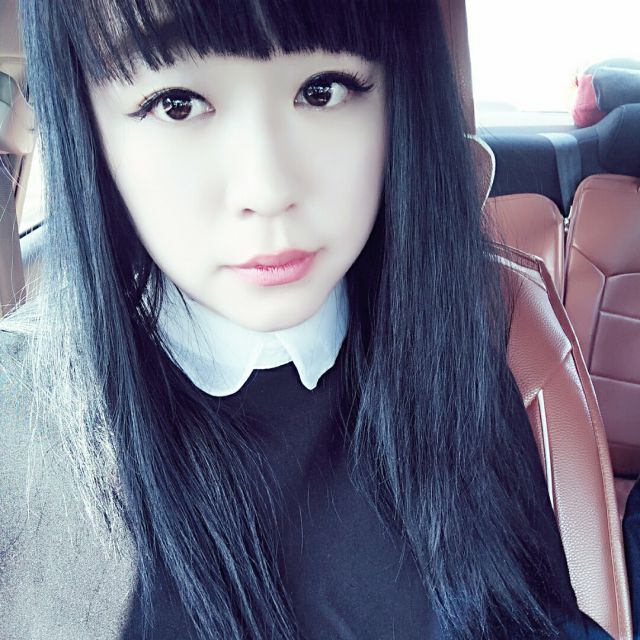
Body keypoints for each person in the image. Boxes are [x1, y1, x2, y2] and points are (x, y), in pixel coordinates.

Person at [0, 0, 612, 638]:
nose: (267, 190)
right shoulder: (17, 428)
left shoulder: (456, 358)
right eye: (177, 104)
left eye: (324, 91)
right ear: (85, 123)